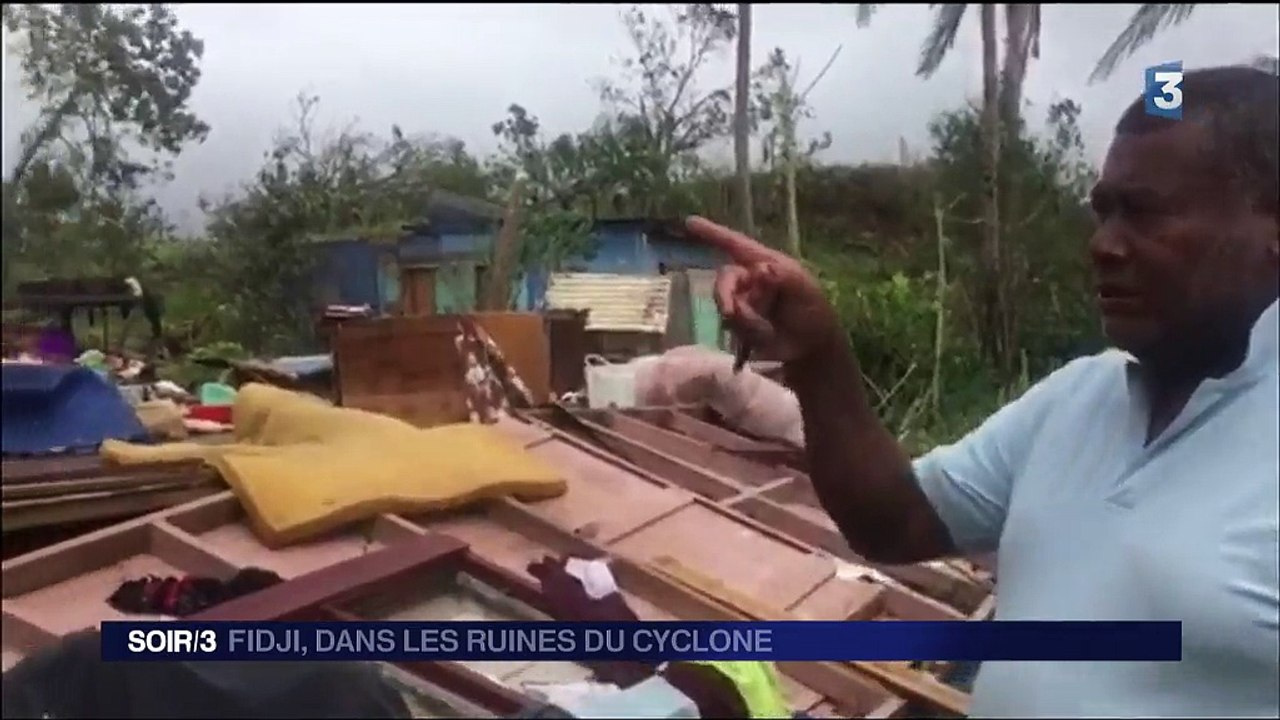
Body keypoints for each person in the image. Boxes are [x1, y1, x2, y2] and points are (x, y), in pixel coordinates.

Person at [684, 64, 1279, 718]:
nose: (1104, 246)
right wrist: (819, 356)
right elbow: (894, 522)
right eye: (1103, 212)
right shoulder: (1080, 399)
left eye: (1146, 213)